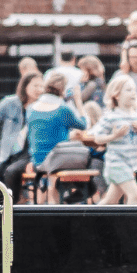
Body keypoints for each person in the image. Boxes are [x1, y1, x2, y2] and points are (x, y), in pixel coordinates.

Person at [28, 70, 89, 203]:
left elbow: (48, 133)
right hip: (58, 160)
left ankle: (61, 198)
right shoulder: (63, 110)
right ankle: (75, 200)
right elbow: (84, 125)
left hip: (37, 161)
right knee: (91, 159)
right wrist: (78, 102)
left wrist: (68, 135)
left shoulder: (31, 109)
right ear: (64, 90)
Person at [93, 76, 137, 205]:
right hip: (116, 163)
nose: (133, 93)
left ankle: (88, 216)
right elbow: (97, 138)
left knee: (110, 200)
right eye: (128, 90)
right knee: (135, 195)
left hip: (130, 163)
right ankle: (131, 219)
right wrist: (114, 136)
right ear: (117, 95)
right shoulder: (111, 116)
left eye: (134, 90)